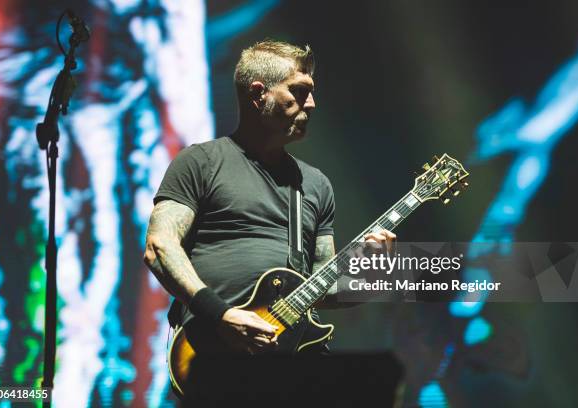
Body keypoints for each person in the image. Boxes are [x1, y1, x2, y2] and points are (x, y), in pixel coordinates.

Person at [143, 40, 396, 355]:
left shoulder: (314, 185)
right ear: (258, 93)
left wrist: (373, 274)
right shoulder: (200, 162)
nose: (312, 104)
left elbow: (324, 289)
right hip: (210, 354)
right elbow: (159, 247)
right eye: (300, 91)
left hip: (292, 359)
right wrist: (220, 314)